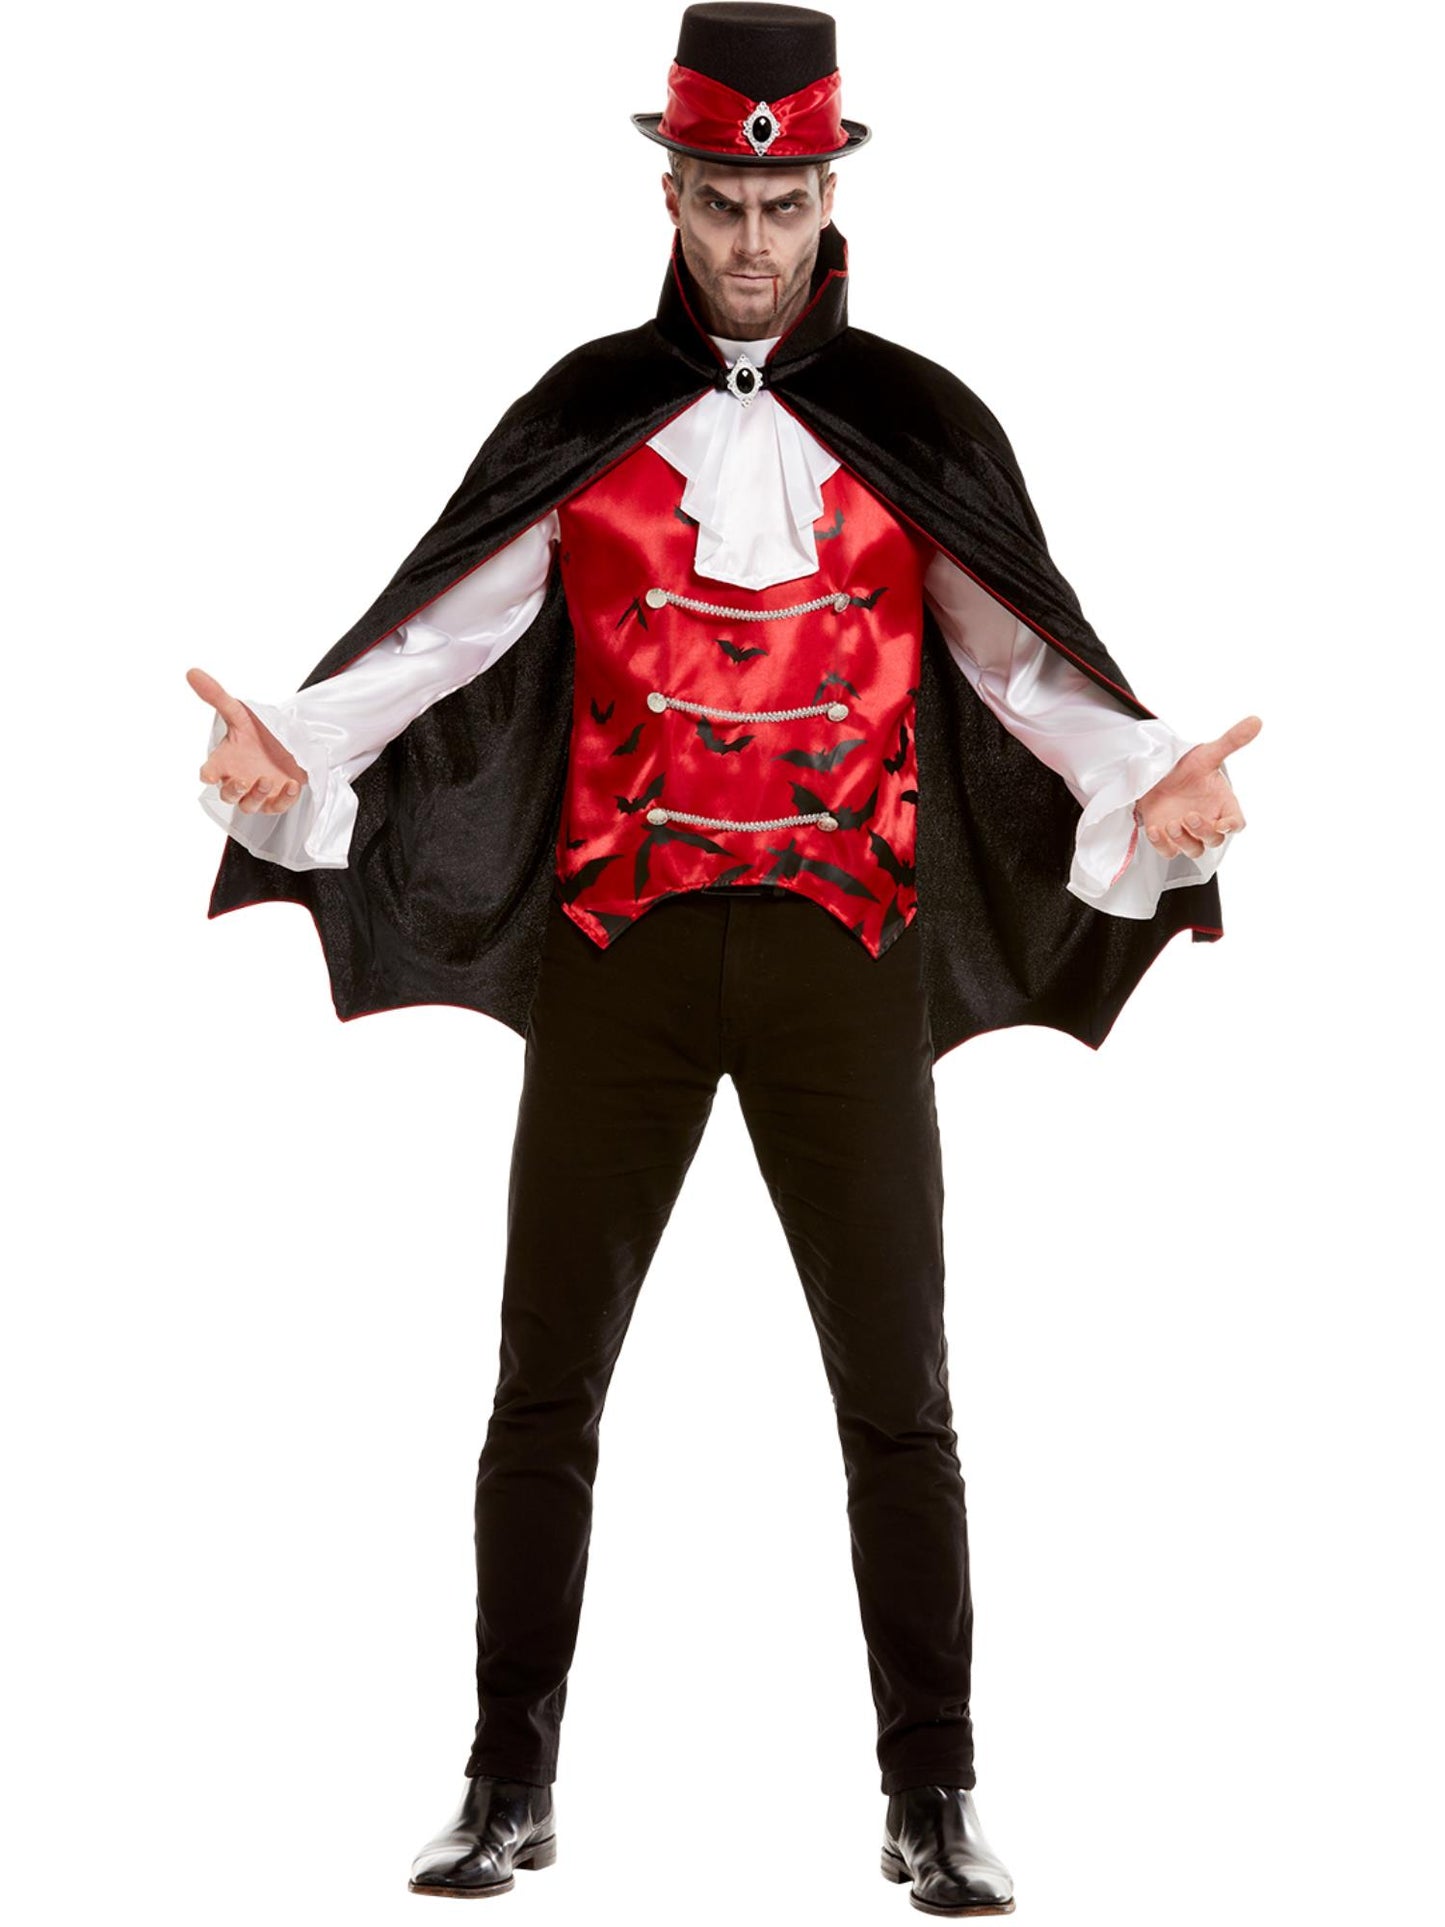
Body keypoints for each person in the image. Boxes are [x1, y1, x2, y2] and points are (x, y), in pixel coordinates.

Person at [190, 5, 1256, 1912]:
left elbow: (1019, 659)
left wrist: (1147, 769)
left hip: (851, 950)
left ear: (827, 197)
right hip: (620, 948)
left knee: (898, 1393)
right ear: (669, 196)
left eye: (782, 204)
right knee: (544, 1382)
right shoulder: (586, 406)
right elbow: (440, 635)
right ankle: (505, 1781)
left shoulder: (917, 420)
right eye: (718, 201)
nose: (751, 241)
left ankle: (932, 1795)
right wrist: (293, 737)